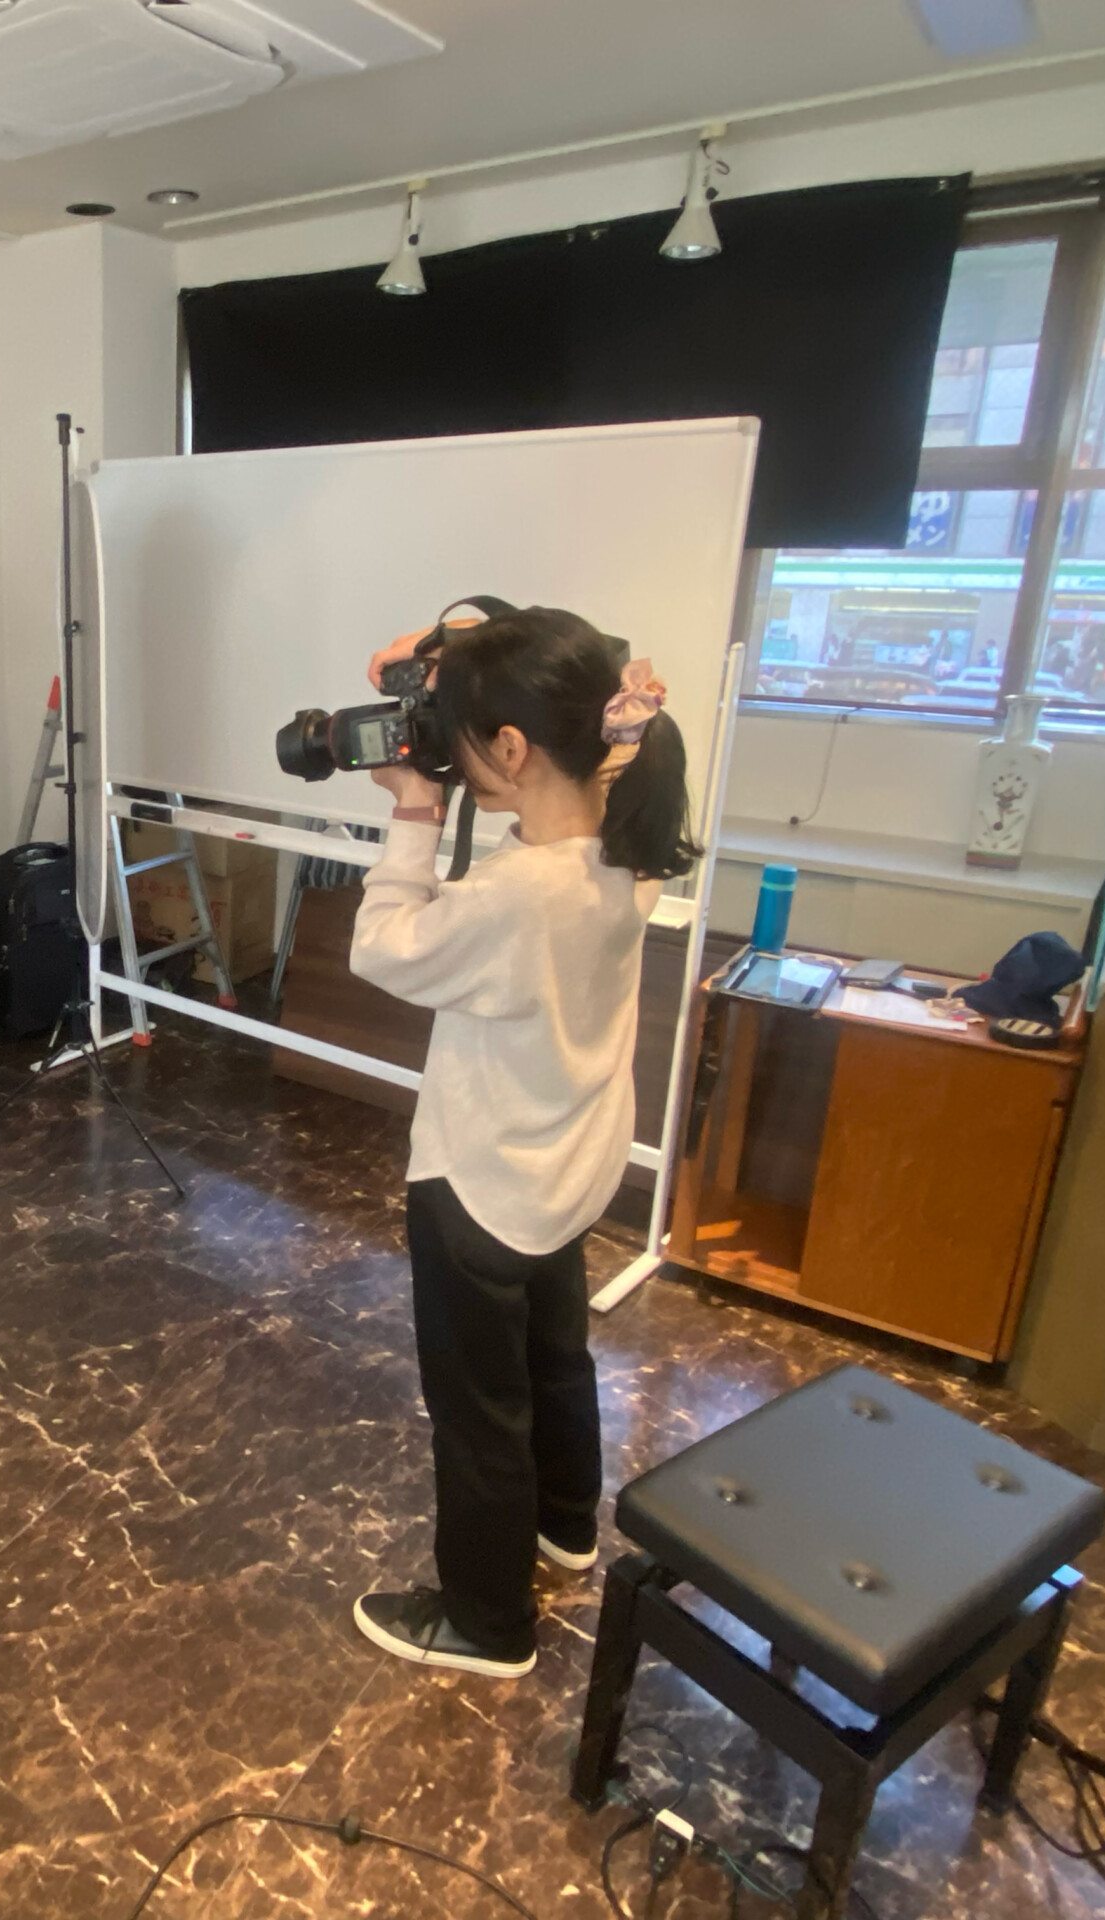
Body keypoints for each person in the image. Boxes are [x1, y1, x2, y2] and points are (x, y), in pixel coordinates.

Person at [344, 607, 701, 1679]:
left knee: (478, 1412)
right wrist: (460, 647)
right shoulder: (627, 846)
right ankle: (565, 1524)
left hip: (481, 1189)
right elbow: (572, 730)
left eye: (460, 737)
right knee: (555, 1358)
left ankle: (485, 1622)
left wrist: (414, 809)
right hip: (568, 1171)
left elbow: (381, 948)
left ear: (508, 747)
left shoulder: (516, 895)